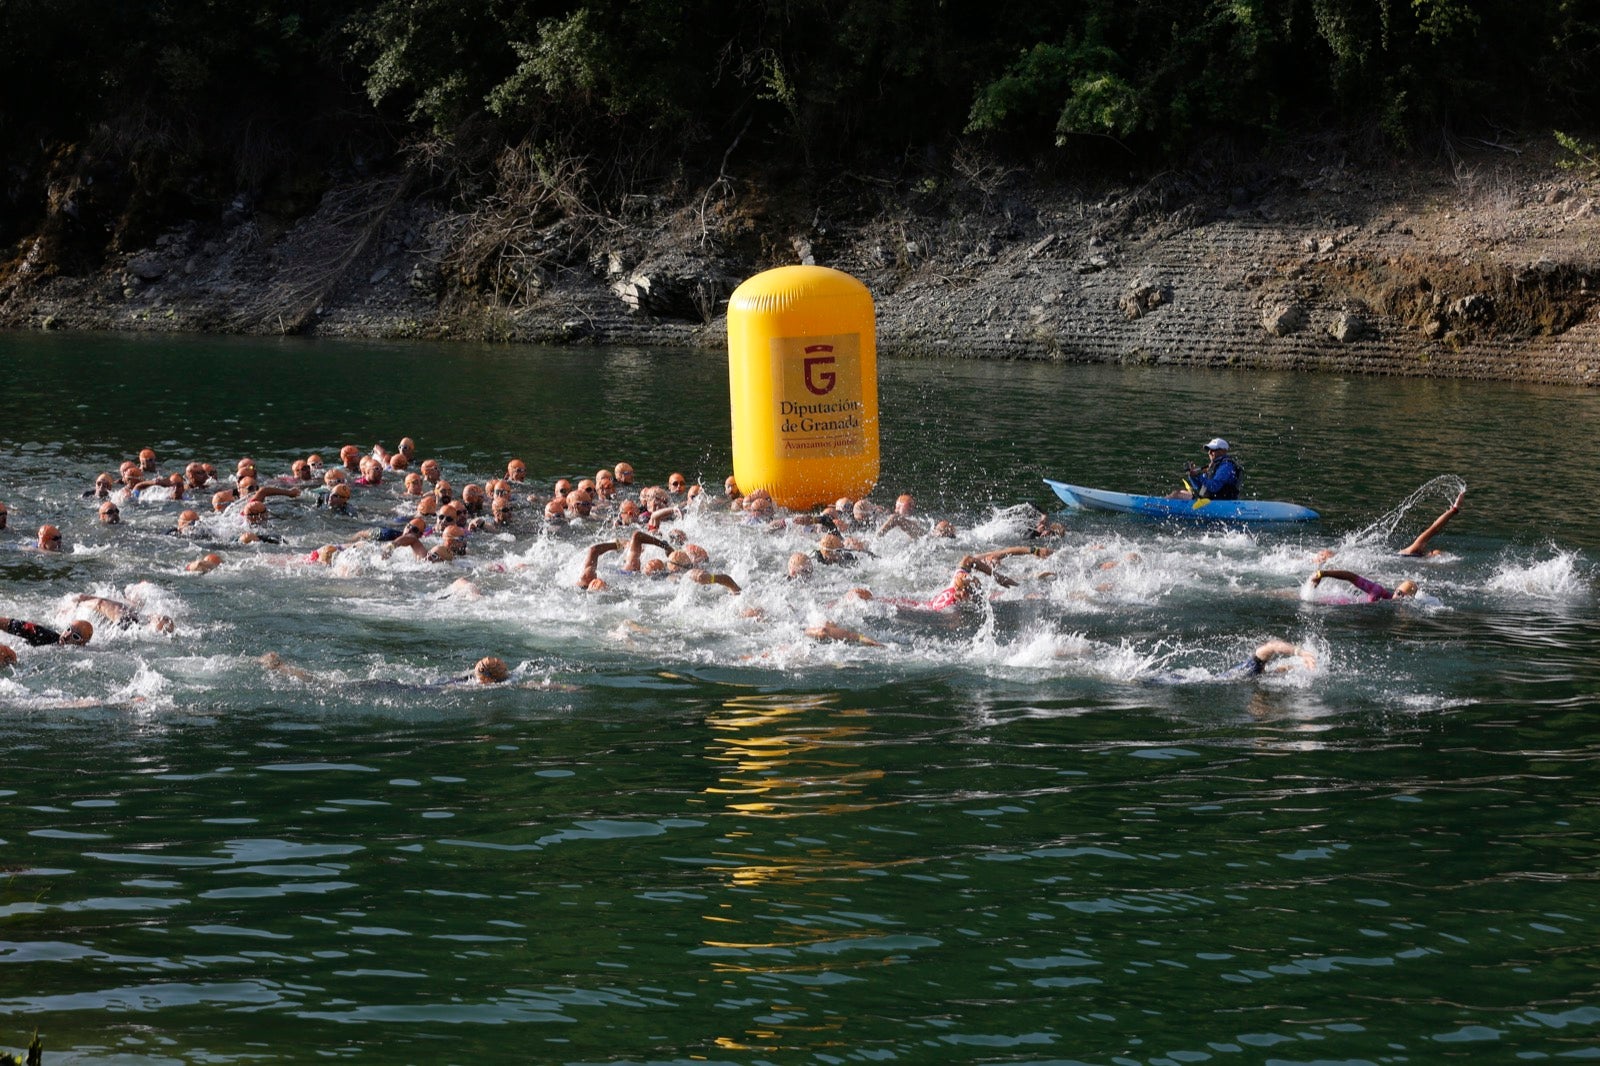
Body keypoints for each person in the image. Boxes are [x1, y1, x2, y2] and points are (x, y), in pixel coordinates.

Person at [1172, 438, 1242, 500]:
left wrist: (1198, 475)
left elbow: (1214, 487)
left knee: (1177, 495)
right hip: (1209, 500)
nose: (1209, 452)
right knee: (1179, 492)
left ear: (1223, 451)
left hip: (1220, 502)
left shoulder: (1226, 466)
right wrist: (1192, 476)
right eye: (1209, 450)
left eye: (1213, 450)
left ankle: (1162, 506)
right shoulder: (1213, 465)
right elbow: (1199, 487)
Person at [70, 594, 175, 634]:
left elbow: (100, 603)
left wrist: (81, 599)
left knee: (97, 602)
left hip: (127, 621)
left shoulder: (127, 615)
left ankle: (79, 601)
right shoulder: (142, 619)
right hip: (132, 624)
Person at [1310, 568, 1417, 601]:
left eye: (1403, 596)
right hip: (1333, 603)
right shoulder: (1378, 592)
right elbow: (1351, 576)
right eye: (1399, 593)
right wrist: (1323, 574)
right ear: (1395, 590)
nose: (1399, 597)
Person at [1228, 639, 1317, 678]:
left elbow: (1273, 645)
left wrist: (1302, 654)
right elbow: (1273, 645)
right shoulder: (1252, 667)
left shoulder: (1253, 666)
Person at [0, 616, 93, 646]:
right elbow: (15, 625)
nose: (66, 635)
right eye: (68, 629)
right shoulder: (45, 636)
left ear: (82, 644)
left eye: (75, 636)